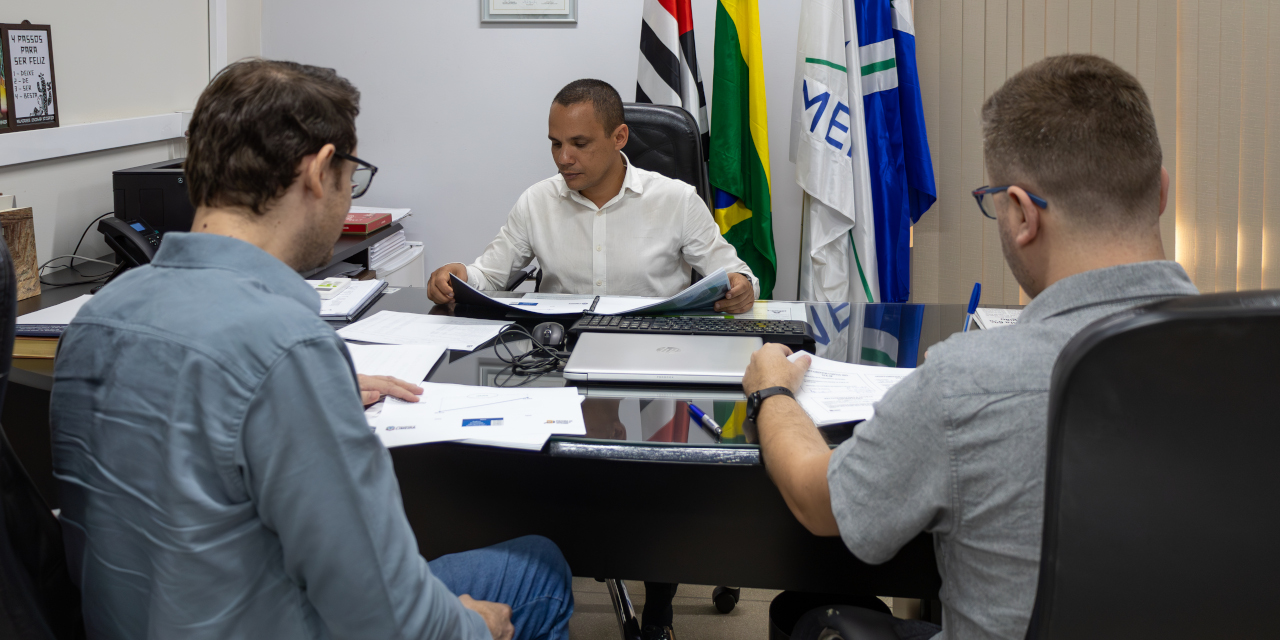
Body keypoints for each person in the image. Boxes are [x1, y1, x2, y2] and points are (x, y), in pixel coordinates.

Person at [50, 59, 573, 640]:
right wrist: (475, 629)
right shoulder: (286, 349)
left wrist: (307, 395)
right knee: (537, 573)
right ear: (321, 170)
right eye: (355, 174)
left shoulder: (96, 321)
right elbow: (382, 612)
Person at [740, 54, 1199, 640]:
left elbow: (813, 496)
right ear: (1160, 192)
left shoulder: (967, 384)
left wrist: (772, 390)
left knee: (808, 615)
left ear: (1022, 215)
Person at [427, 79, 757, 315]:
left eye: (579, 144)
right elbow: (489, 277)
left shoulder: (677, 200)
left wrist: (741, 288)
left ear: (619, 137)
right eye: (556, 143)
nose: (563, 158)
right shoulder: (537, 201)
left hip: (652, 346)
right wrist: (457, 278)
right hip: (558, 349)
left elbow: (737, 277)